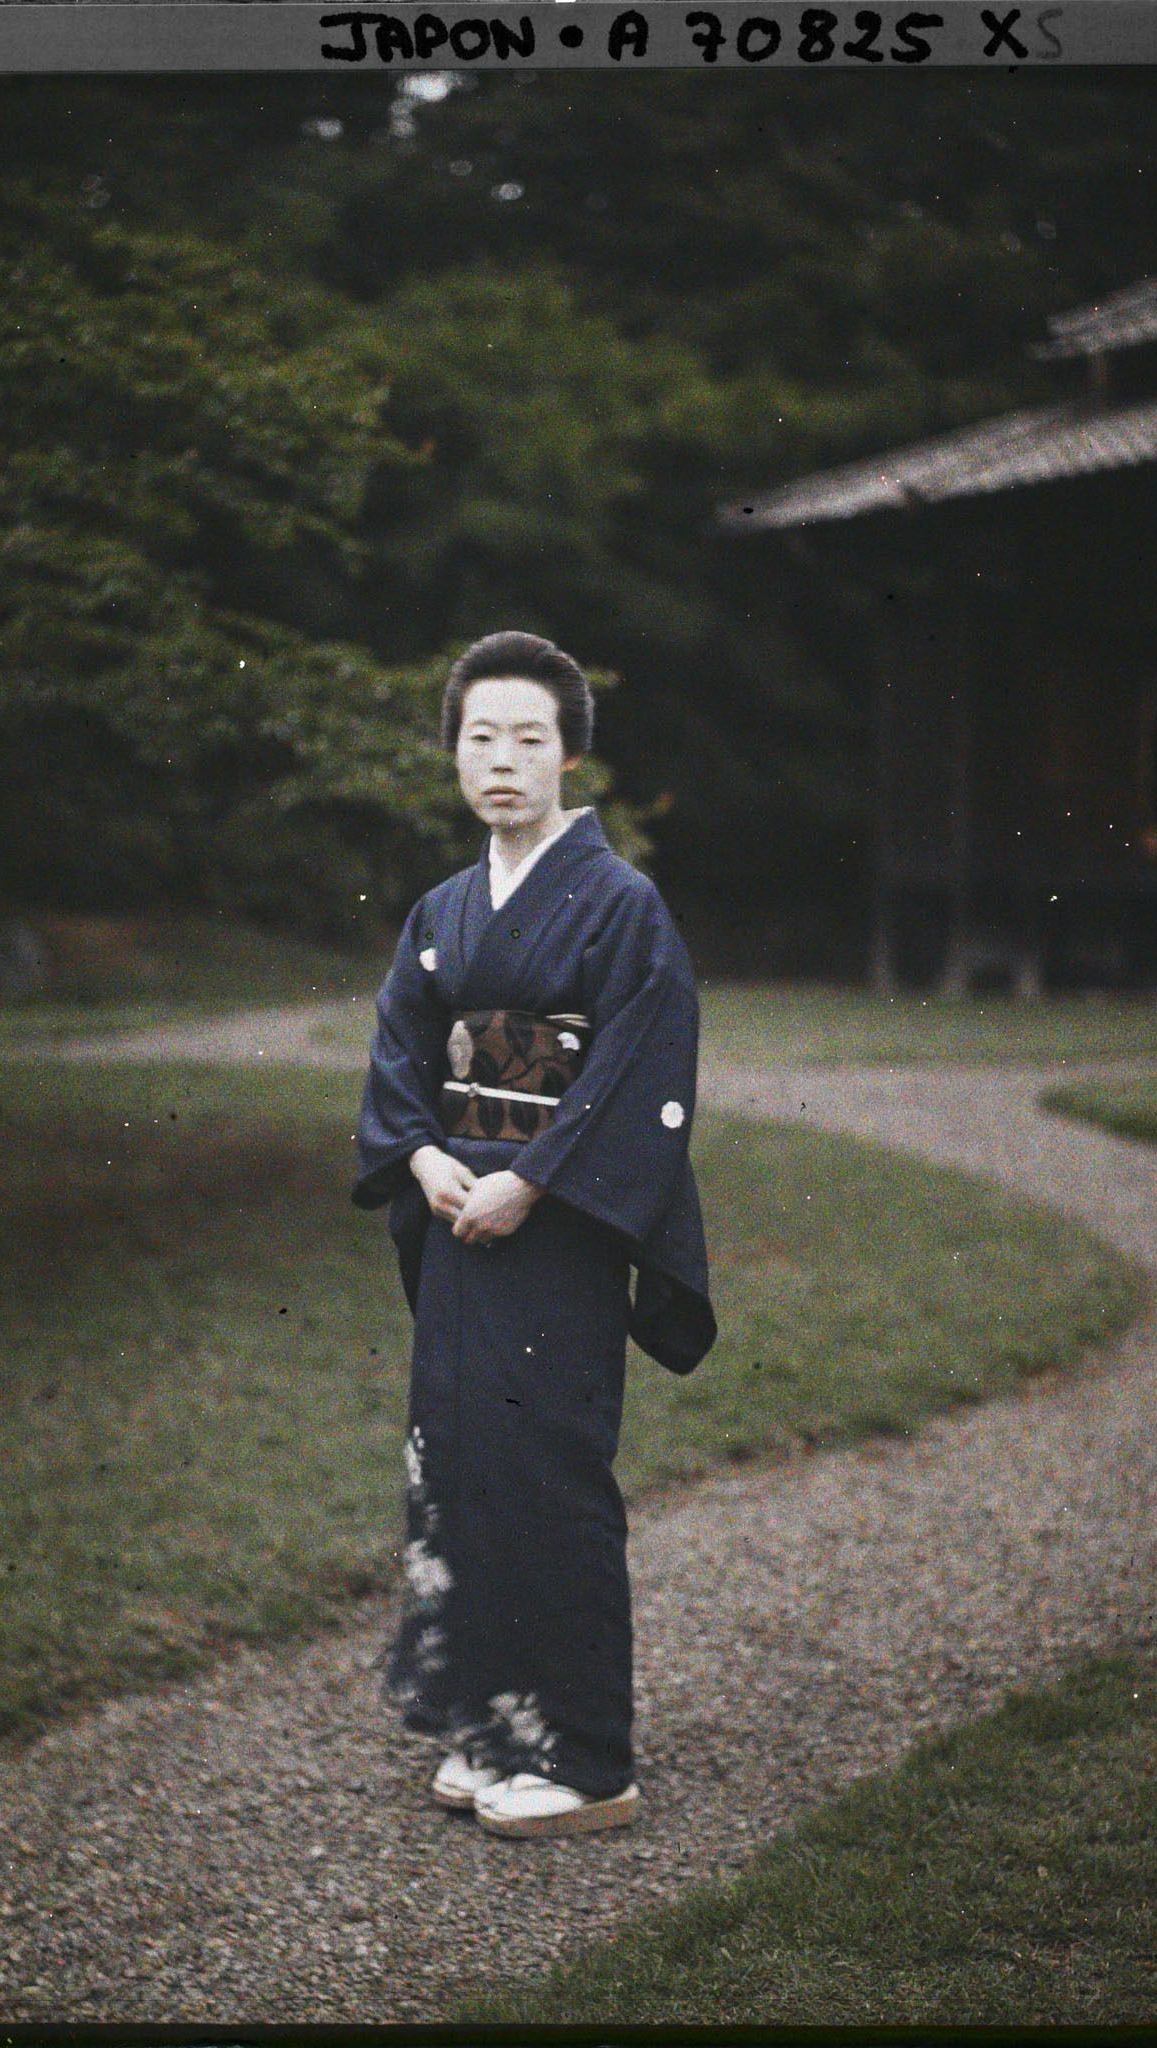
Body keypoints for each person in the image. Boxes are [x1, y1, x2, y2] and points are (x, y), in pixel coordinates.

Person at [353, 630, 716, 1841]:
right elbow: (402, 1051)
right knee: (456, 1463)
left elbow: (637, 1066)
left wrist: (537, 1184)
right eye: (478, 736)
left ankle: (585, 1754)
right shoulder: (443, 910)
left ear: (569, 753)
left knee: (547, 1471)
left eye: (527, 736)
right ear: (453, 752)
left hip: (553, 1223)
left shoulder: (621, 904)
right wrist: (421, 1154)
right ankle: (486, 1722)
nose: (501, 759)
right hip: (458, 1202)